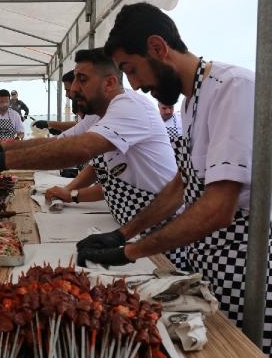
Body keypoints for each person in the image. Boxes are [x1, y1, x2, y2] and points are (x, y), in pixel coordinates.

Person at [74, 3, 272, 354]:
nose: (134, 85)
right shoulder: (192, 100)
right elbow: (181, 186)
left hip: (244, 272)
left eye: (131, 70)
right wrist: (123, 232)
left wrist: (130, 251)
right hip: (208, 263)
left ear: (157, 48)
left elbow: (218, 208)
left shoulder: (233, 88)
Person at [0, 48, 179, 240]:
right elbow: (59, 142)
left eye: (82, 80)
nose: (73, 90)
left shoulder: (129, 106)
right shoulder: (100, 113)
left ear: (110, 83)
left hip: (162, 229)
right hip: (130, 225)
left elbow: (80, 150)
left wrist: (4, 161)